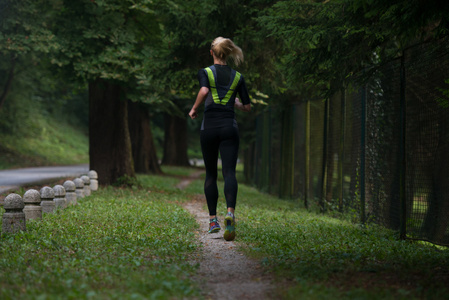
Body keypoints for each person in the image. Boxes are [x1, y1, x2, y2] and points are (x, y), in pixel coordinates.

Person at [189, 37, 251, 241]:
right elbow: (247, 106)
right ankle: (231, 213)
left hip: (210, 128)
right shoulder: (238, 77)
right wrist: (235, 103)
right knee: (229, 172)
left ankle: (213, 220)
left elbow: (205, 90)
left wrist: (194, 108)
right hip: (229, 128)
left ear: (212, 53)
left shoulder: (205, 72)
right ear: (227, 53)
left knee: (210, 175)